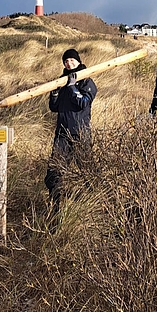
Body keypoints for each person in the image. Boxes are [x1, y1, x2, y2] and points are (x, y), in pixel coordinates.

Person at [44, 48, 97, 213]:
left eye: (72, 60)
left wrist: (73, 87)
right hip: (62, 133)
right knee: (55, 171)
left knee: (87, 169)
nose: (69, 63)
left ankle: (97, 202)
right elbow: (54, 107)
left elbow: (83, 103)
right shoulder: (62, 81)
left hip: (80, 133)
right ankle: (56, 206)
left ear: (79, 61)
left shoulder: (87, 81)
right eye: (66, 61)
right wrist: (54, 94)